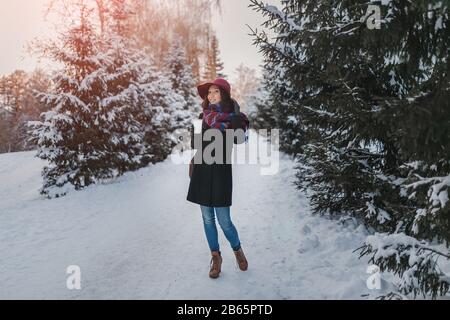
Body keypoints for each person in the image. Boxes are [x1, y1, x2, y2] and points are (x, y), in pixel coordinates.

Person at [186, 77, 250, 279]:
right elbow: (195, 144)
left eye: (216, 92)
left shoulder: (233, 118)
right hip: (202, 172)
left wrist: (237, 117)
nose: (212, 95)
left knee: (225, 221)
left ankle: (237, 249)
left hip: (221, 173)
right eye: (209, 93)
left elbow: (240, 140)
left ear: (224, 94)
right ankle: (216, 257)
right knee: (207, 218)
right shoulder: (202, 116)